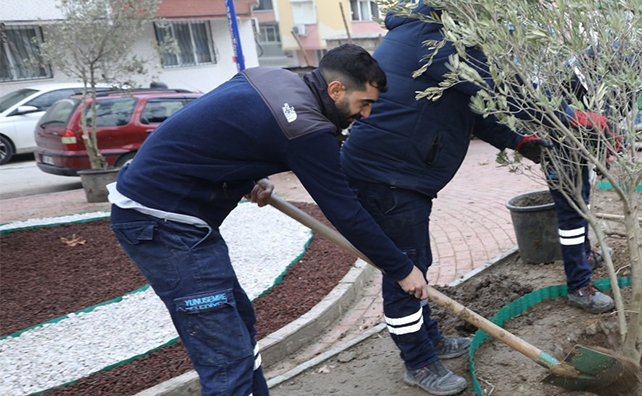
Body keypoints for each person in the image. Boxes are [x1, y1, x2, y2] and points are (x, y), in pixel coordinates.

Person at [109, 45, 425, 396]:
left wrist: (249, 175)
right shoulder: (308, 129)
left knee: (238, 327)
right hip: (162, 224)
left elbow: (221, 131)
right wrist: (401, 268)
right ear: (336, 90)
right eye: (363, 103)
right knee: (226, 355)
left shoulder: (268, 76)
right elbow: (345, 211)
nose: (365, 115)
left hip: (176, 217)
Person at [338, 0, 547, 396]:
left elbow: (477, 110)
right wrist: (573, 120)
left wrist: (520, 142)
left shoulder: (435, 36)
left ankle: (429, 341)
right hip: (389, 176)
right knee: (404, 269)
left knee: (416, 263)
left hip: (401, 173)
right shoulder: (438, 39)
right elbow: (504, 92)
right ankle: (418, 362)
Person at [545, 39, 642, 313]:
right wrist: (593, 129)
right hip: (559, 139)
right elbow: (582, 103)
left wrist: (609, 141)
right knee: (572, 215)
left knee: (582, 202)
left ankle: (585, 254)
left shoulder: (634, 70)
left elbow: (611, 112)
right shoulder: (621, 58)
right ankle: (578, 286)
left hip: (578, 141)